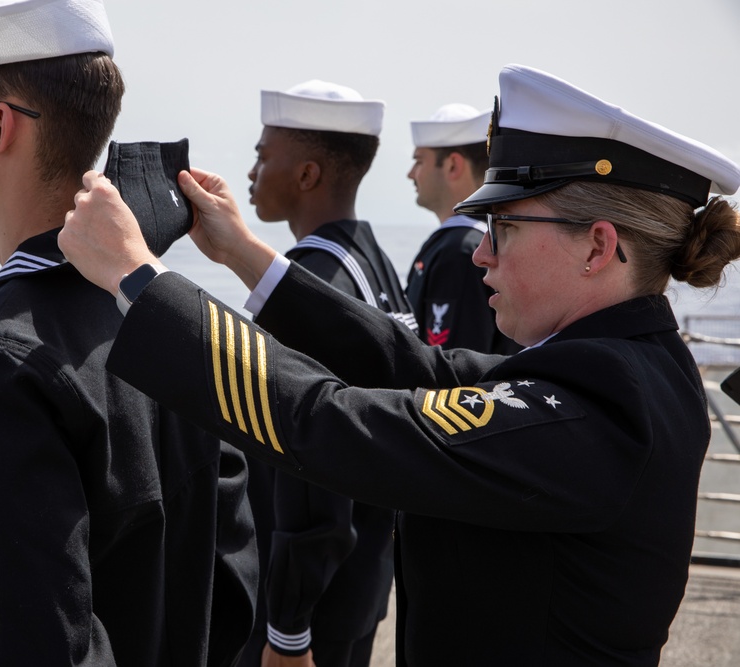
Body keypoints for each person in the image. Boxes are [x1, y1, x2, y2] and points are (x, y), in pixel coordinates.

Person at [57, 63, 740, 666]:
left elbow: (326, 424)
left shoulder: (604, 409)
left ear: (597, 246)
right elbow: (415, 367)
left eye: (503, 228)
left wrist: (138, 281)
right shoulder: (628, 367)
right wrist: (242, 252)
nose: (480, 254)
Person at [0, 1, 258, 664]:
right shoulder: (179, 319)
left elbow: (36, 639)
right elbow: (234, 581)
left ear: (0, 126)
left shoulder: (1, 356)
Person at [240, 80, 411, 666]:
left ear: (308, 175)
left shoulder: (311, 286)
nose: (252, 171)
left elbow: (312, 467)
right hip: (361, 576)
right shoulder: (373, 261)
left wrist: (288, 629)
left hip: (309, 603)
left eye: (263, 156)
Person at [406, 103, 520, 354]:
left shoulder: (458, 250)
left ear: (452, 166)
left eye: (419, 161)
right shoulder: (494, 236)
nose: (411, 173)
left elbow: (452, 368)